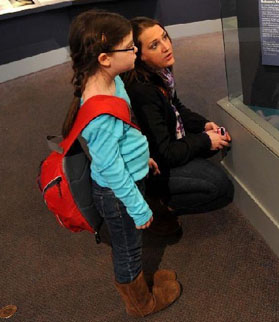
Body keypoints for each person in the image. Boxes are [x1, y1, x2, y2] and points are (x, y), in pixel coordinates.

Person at [61, 10, 180, 317]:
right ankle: (141, 302)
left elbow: (125, 133)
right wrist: (138, 207)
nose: (136, 51)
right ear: (104, 58)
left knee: (131, 240)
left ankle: (140, 289)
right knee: (128, 249)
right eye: (129, 47)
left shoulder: (112, 81)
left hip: (129, 180)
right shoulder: (99, 112)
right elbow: (112, 168)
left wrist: (143, 157)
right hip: (117, 195)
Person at [123, 17, 234, 231]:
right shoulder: (142, 91)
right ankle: (155, 205)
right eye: (154, 45)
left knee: (214, 144)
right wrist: (202, 140)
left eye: (164, 37)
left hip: (168, 145)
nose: (166, 47)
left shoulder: (160, 72)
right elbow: (163, 153)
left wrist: (204, 125)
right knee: (218, 185)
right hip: (152, 166)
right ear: (140, 55)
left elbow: (175, 107)